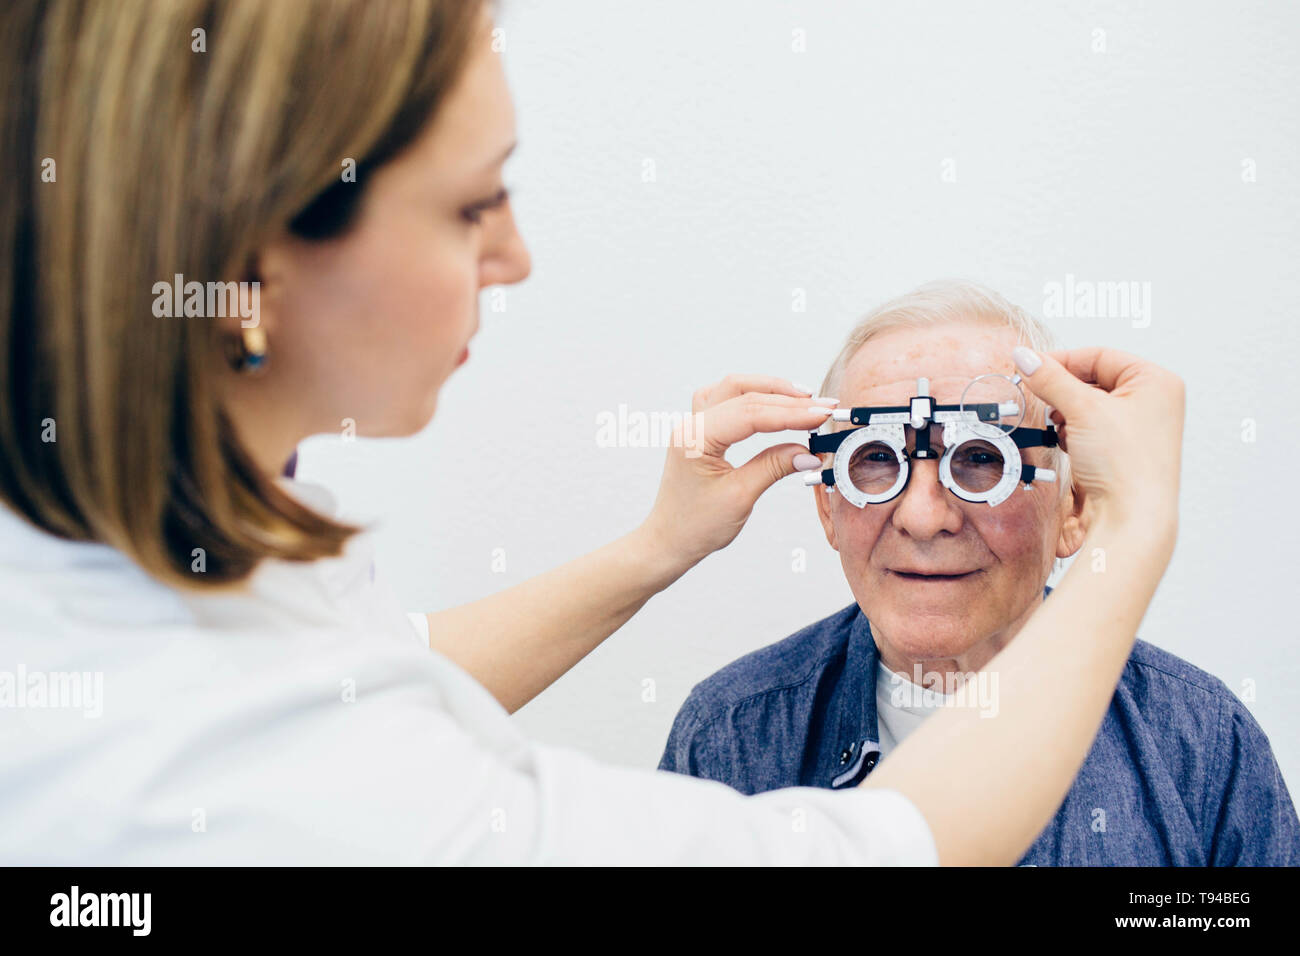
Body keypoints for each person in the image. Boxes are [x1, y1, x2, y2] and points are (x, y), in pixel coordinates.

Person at [0, 0, 1184, 865]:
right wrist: (1134, 539)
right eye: (473, 204)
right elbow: (878, 853)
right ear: (251, 254)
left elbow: (371, 672)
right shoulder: (716, 728)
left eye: (976, 458)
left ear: (1060, 492)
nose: (517, 256)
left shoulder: (1196, 746)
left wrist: (652, 547)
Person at [660, 281, 1300, 865]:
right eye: (875, 459)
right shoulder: (730, 736)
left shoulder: (1200, 745)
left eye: (981, 459)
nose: (920, 516)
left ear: (1073, 509)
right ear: (828, 509)